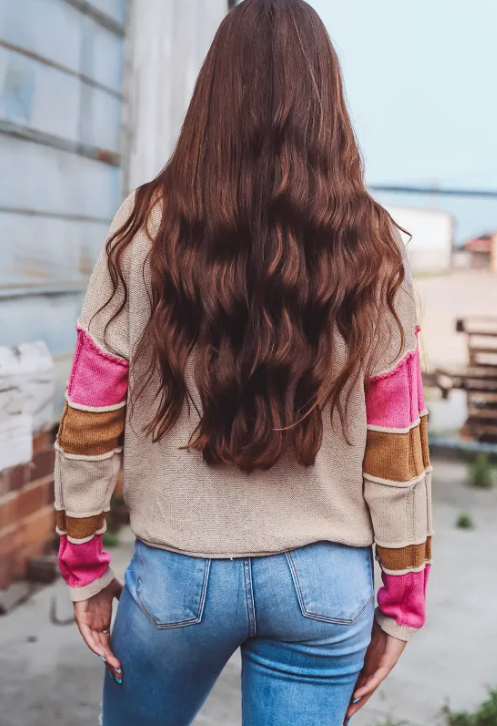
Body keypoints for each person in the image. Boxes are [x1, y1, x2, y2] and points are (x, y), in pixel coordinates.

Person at [54, 1, 432, 724]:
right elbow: (398, 448)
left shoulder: (143, 228)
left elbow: (90, 412)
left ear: (212, 95)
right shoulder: (377, 247)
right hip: (325, 583)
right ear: (327, 99)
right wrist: (402, 600)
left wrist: (84, 568)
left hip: (177, 575)